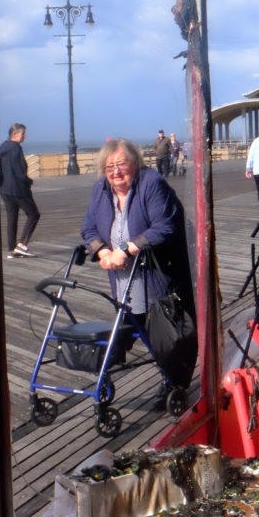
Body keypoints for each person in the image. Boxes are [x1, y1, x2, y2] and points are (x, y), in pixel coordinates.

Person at [81, 138, 196, 395]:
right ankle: (107, 372)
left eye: (122, 163)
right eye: (109, 166)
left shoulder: (151, 183)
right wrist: (102, 250)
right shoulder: (101, 188)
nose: (116, 171)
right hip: (124, 281)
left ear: (135, 163)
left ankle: (175, 384)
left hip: (158, 276)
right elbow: (88, 228)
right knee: (132, 326)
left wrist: (126, 249)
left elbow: (164, 226)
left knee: (166, 335)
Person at [0, 122, 40, 259]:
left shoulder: (3, 147)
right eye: (23, 133)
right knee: (34, 214)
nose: (24, 136)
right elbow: (19, 171)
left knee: (12, 218)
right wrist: (28, 181)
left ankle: (12, 249)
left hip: (5, 189)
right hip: (18, 189)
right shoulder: (15, 148)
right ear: (15, 135)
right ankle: (22, 245)